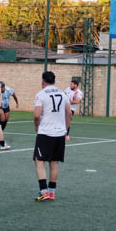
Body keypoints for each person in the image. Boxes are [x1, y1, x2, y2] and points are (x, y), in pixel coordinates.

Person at [33, 71, 71, 202]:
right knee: (54, 162)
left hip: (45, 132)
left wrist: (36, 126)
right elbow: (69, 114)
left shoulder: (41, 94)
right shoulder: (63, 93)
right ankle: (51, 192)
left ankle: (44, 192)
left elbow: (37, 115)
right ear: (54, 81)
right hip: (60, 133)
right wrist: (66, 130)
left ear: (43, 81)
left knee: (39, 160)